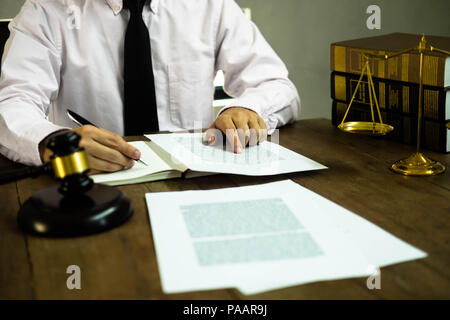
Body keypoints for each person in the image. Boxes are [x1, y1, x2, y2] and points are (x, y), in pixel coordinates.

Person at [0, 0, 300, 173]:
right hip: (91, 181)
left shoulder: (212, 5)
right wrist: (54, 143)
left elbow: (275, 84)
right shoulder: (46, 9)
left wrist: (246, 108)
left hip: (195, 178)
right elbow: (12, 102)